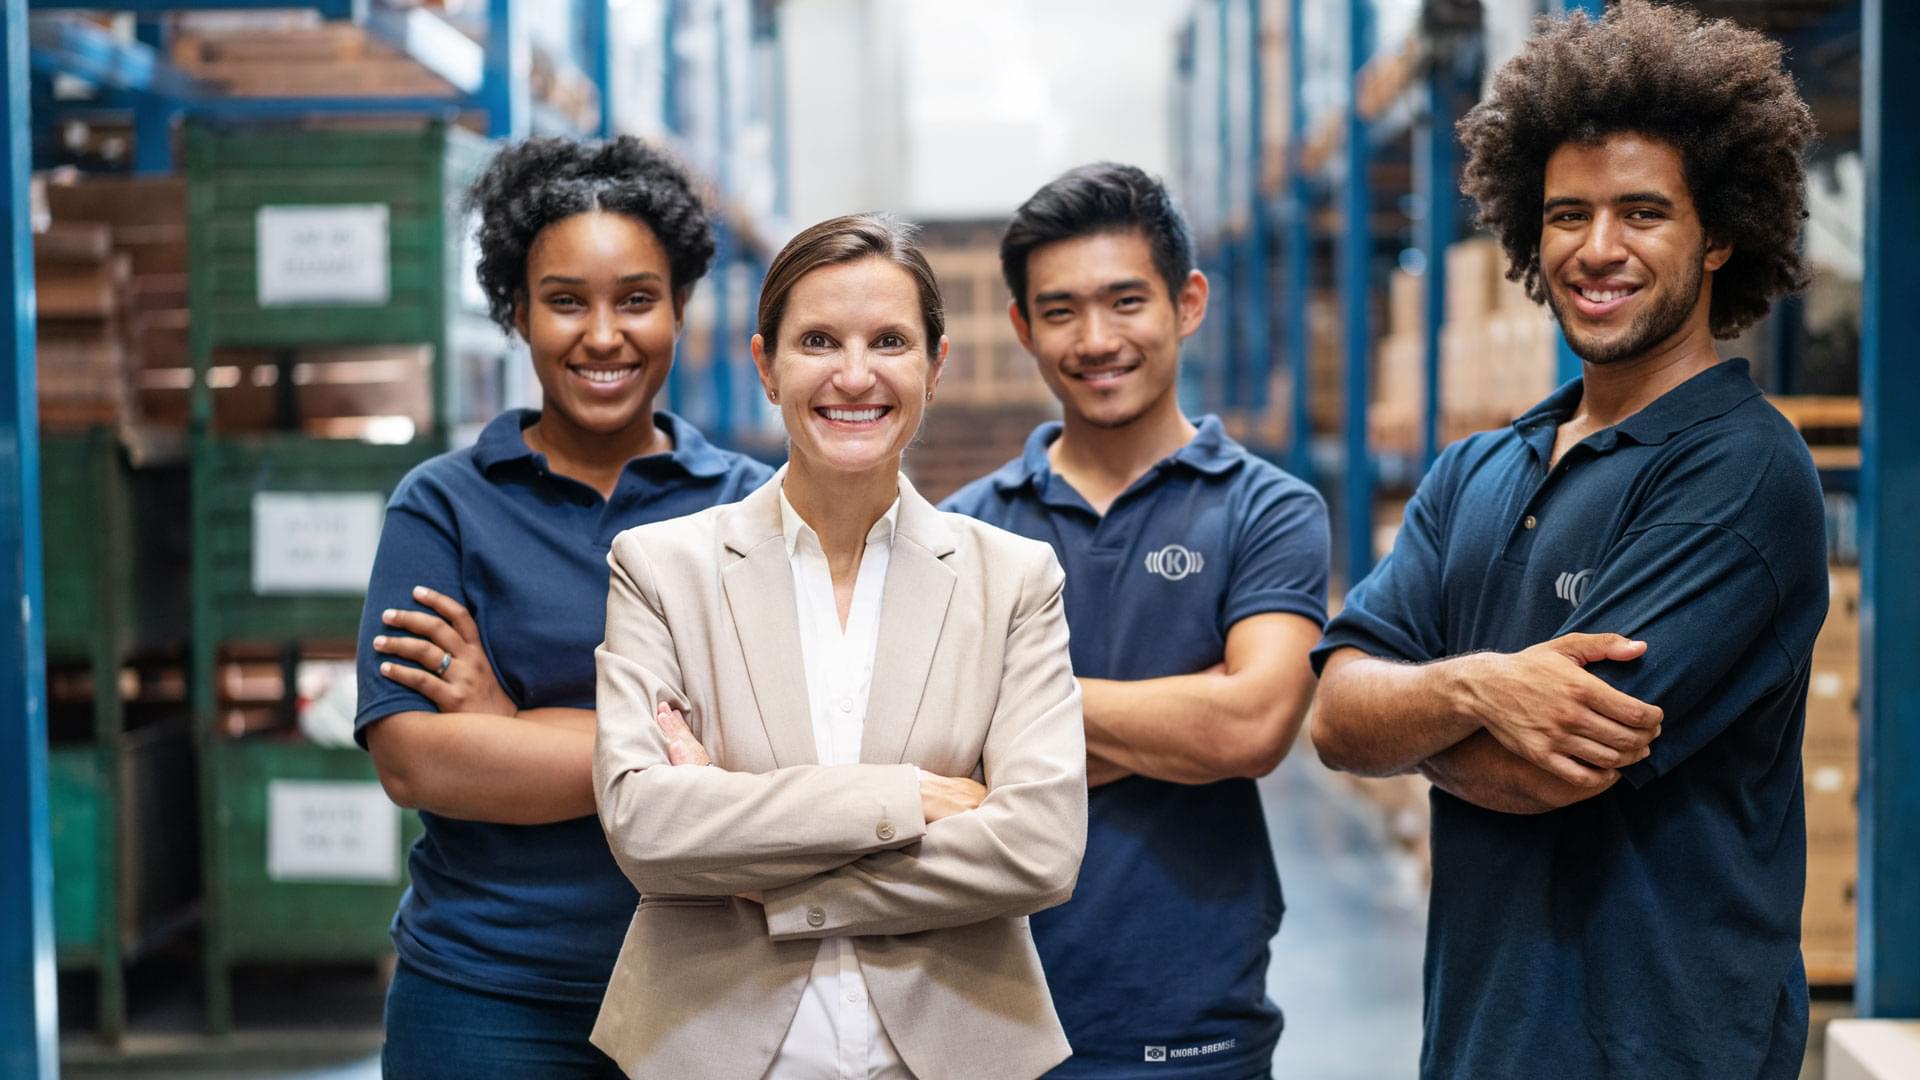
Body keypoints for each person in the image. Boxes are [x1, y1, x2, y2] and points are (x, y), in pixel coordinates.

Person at [1309, 4, 1824, 1077]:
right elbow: (1336, 718)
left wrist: (1419, 703)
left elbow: (1550, 768)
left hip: (1667, 1053)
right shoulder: (1478, 469)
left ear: (1718, 232)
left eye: (1643, 213)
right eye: (1566, 215)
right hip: (1479, 1040)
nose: (1598, 250)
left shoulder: (1742, 470)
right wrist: (1480, 687)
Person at [589, 213, 1088, 1080]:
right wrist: (902, 800)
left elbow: (1040, 846)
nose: (854, 376)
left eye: (889, 341)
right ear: (766, 366)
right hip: (713, 1046)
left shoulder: (1013, 579)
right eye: (818, 340)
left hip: (955, 1047)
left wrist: (759, 865)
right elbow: (647, 827)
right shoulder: (662, 570)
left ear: (934, 368)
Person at [353, 137, 772, 1078]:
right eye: (565, 301)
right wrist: (677, 755)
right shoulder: (443, 506)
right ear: (516, 311)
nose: (603, 335)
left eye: (635, 299)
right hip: (483, 993)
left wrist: (512, 725)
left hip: (718, 986)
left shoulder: (755, 507)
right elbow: (417, 761)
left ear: (679, 307)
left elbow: (789, 752)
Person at [942, 163, 1330, 1078]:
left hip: (1191, 1009)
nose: (1097, 339)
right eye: (1063, 310)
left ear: (1187, 302)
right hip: (986, 1004)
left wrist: (1021, 714)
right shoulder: (964, 530)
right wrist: (1175, 721)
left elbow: (1252, 725)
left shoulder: (1267, 511)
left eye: (1126, 302)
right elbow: (935, 757)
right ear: (1022, 327)